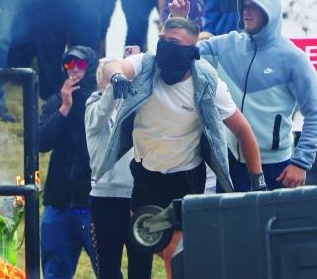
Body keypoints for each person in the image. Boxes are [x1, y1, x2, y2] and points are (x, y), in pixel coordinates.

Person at [94, 16, 265, 205]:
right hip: (145, 170)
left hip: (185, 176)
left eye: (173, 42)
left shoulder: (208, 85)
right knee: (141, 232)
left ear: (191, 52)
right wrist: (117, 77)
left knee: (178, 234)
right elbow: (115, 65)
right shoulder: (145, 64)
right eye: (162, 40)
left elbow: (242, 129)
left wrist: (258, 181)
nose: (165, 46)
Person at [191, 0, 317, 190]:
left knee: (271, 224)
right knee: (229, 223)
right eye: (244, 6)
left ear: (269, 11)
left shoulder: (293, 57)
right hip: (231, 163)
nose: (247, 12)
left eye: (254, 6)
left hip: (276, 167)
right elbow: (184, 53)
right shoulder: (228, 45)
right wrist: (178, 19)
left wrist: (301, 163)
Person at [39, 46, 131, 279]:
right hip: (57, 204)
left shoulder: (99, 104)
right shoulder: (57, 100)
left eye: (79, 63)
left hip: (91, 204)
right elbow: (40, 142)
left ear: (89, 67)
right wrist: (63, 108)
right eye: (68, 63)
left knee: (108, 274)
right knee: (54, 278)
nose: (73, 68)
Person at [85, 61, 150, 279]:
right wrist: (115, 81)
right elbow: (100, 115)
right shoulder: (93, 109)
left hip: (138, 199)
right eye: (111, 80)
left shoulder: (137, 109)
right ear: (103, 83)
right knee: (108, 273)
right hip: (105, 198)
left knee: (140, 274)